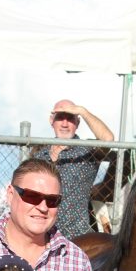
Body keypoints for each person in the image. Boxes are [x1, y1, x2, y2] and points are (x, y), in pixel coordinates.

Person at [34, 99, 114, 239]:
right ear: (51, 120)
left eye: (70, 118)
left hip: (76, 238)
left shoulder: (87, 152)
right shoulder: (39, 156)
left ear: (77, 123)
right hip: (40, 236)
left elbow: (108, 139)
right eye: (60, 118)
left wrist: (82, 111)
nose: (65, 124)